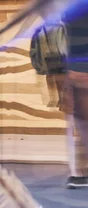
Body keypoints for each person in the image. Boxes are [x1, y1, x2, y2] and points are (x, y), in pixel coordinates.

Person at [62, 4, 88, 188]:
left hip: (80, 72)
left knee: (81, 122)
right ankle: (79, 172)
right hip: (77, 71)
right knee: (80, 121)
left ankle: (79, 172)